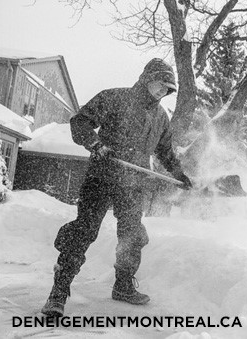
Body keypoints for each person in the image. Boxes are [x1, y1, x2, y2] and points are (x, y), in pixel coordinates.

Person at [41, 58, 192, 317]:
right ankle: (58, 293)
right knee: (84, 230)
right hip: (102, 176)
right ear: (147, 78)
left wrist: (179, 173)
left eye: (167, 89)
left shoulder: (160, 117)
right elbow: (80, 121)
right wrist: (96, 144)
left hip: (133, 185)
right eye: (159, 84)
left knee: (132, 235)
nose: (162, 91)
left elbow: (165, 151)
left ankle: (123, 286)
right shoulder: (115, 98)